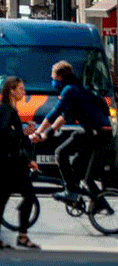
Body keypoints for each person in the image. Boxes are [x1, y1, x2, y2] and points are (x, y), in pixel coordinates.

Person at [30, 60, 113, 202]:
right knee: (79, 170)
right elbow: (64, 118)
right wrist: (46, 133)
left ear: (60, 77)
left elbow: (55, 113)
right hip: (97, 132)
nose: (52, 81)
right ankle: (100, 203)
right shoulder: (77, 89)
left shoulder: (70, 90)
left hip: (98, 134)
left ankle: (71, 192)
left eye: (53, 78)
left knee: (61, 153)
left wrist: (39, 131)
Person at [0, 77, 40, 250]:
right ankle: (20, 237)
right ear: (11, 90)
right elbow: (5, 137)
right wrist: (23, 135)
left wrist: (25, 133)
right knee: (27, 196)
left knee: (4, 198)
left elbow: (13, 137)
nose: (23, 92)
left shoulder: (9, 110)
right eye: (21, 89)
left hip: (9, 162)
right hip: (10, 163)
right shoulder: (6, 111)